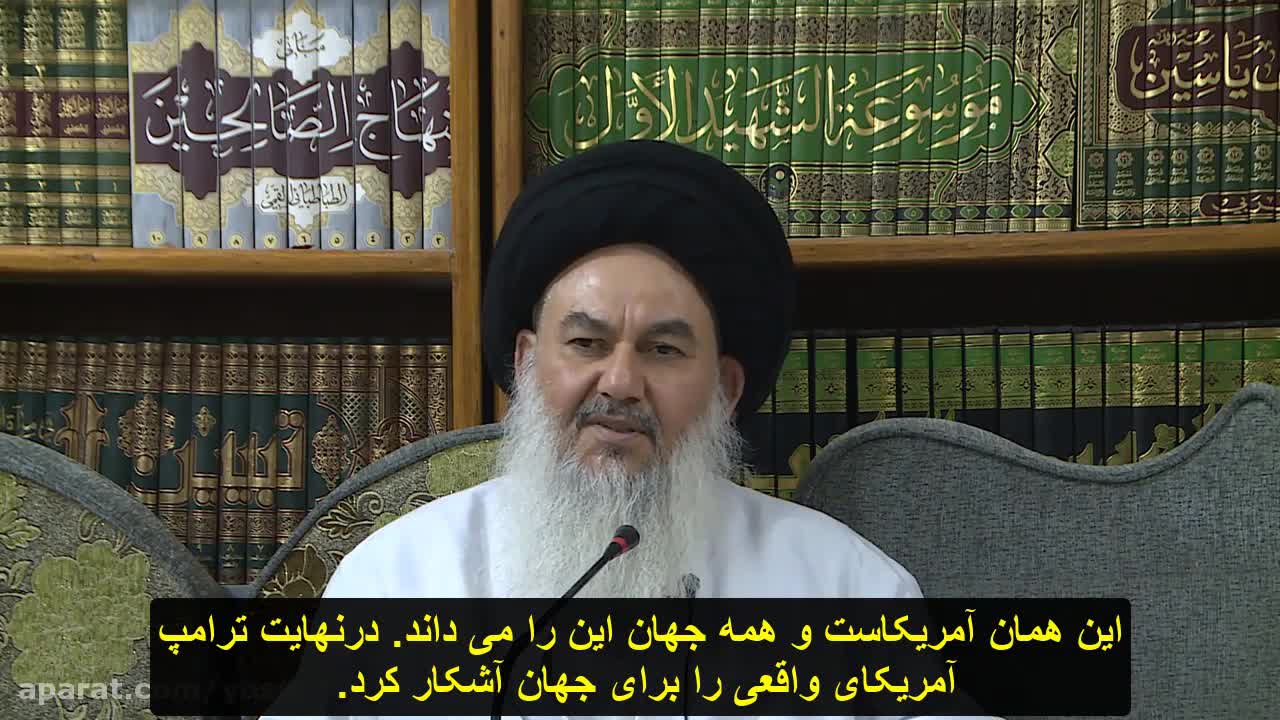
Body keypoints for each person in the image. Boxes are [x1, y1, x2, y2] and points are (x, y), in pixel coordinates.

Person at [264, 140, 996, 719]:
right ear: (526, 365)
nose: (619, 382)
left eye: (663, 350)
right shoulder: (401, 578)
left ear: (726, 390)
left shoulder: (842, 590)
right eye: (586, 343)